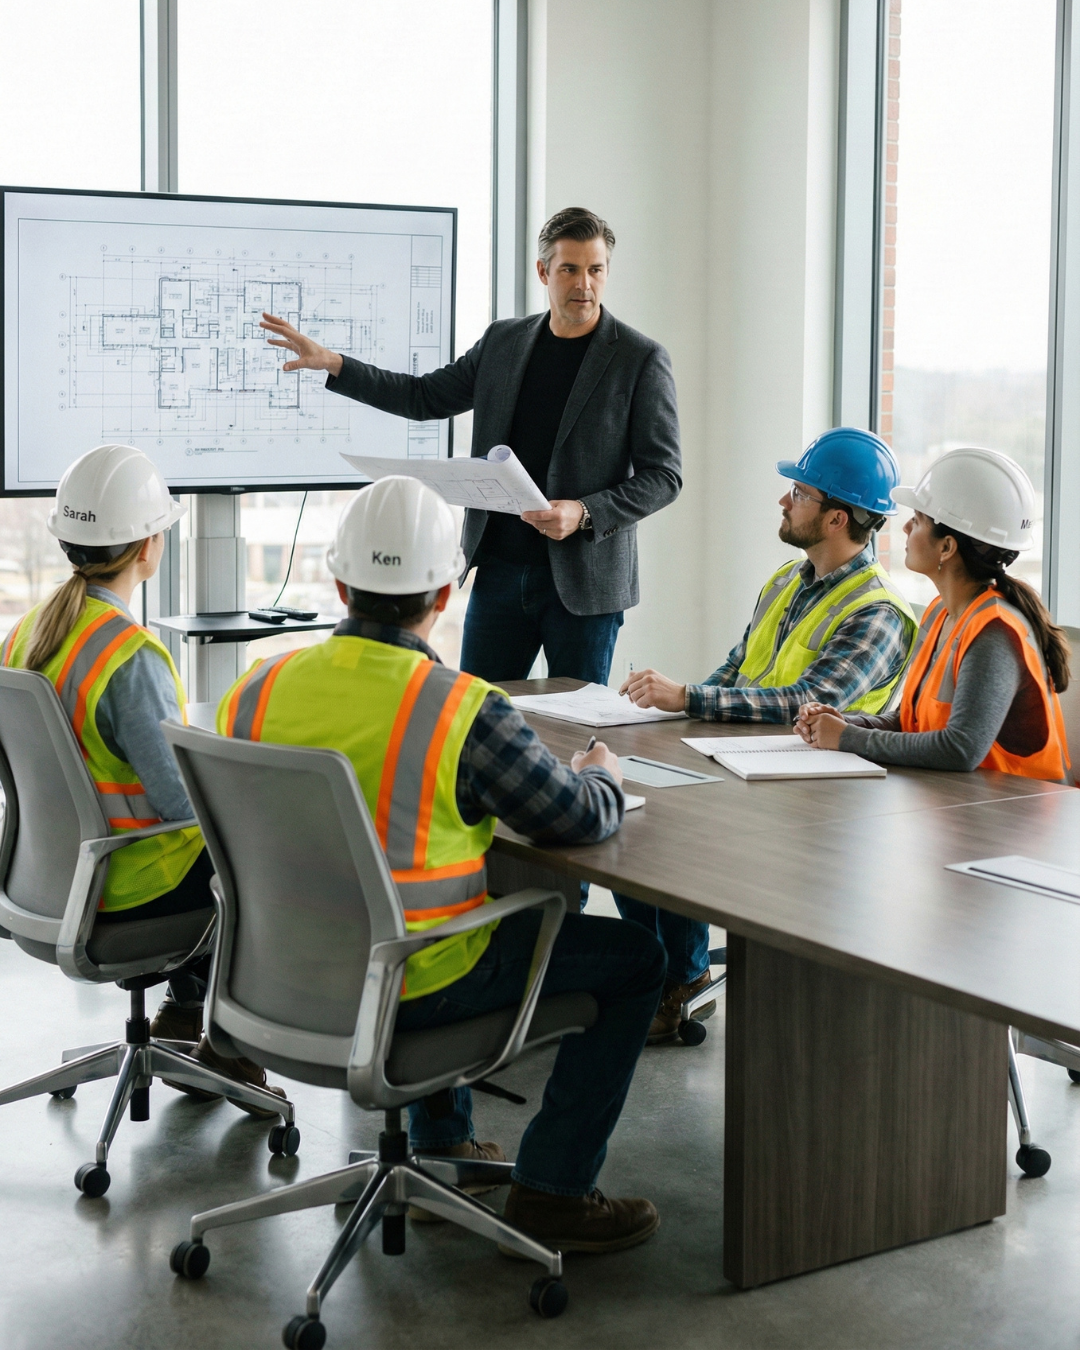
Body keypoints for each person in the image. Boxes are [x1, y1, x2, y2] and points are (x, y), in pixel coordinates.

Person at [216, 475, 666, 1255]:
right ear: (446, 594)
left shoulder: (254, 689)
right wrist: (603, 772)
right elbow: (579, 821)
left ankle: (444, 1146)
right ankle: (555, 1190)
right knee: (637, 958)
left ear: (339, 583)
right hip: (415, 990)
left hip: (278, 980)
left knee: (442, 906)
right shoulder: (462, 708)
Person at [259, 206, 682, 686]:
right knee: (477, 714)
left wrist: (584, 512)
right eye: (569, 269)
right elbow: (423, 396)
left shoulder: (640, 358)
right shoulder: (504, 341)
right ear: (544, 271)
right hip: (499, 572)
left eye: (595, 270)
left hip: (585, 584)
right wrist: (334, 363)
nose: (583, 284)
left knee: (576, 727)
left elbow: (664, 476)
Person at [1, 443, 284, 1115]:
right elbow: (177, 802)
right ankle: (227, 1042)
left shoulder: (26, 634)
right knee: (251, 856)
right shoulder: (129, 654)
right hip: (122, 888)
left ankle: (183, 1016)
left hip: (45, 880)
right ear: (149, 546)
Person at [613, 427, 920, 1043]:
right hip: (745, 763)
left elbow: (804, 703)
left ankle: (684, 975)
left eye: (797, 492)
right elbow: (736, 669)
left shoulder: (878, 612)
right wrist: (668, 716)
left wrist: (688, 697)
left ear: (835, 518)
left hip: (813, 794)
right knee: (626, 813)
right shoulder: (787, 580)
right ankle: (663, 973)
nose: (784, 502)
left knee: (666, 829)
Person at [796, 447, 1071, 783]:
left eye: (919, 520)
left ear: (947, 547)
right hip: (959, 807)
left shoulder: (995, 633)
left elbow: (959, 749)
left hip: (1015, 819)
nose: (906, 528)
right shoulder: (941, 613)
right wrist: (846, 722)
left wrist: (846, 739)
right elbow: (909, 723)